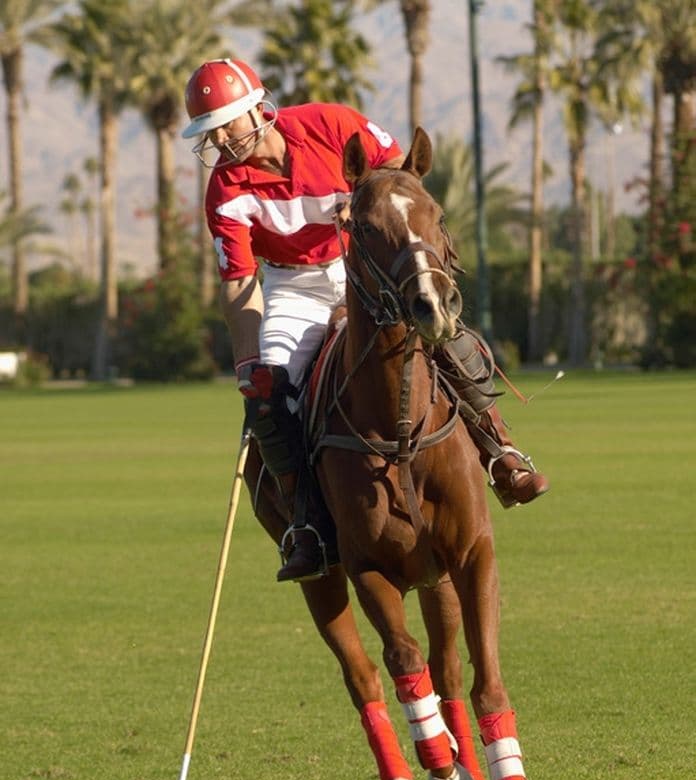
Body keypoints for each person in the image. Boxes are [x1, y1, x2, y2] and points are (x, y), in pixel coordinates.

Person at [181, 58, 549, 583]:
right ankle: (306, 525)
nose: (220, 137)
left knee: (447, 337)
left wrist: (370, 200)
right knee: (269, 397)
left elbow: (399, 173)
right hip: (295, 287)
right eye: (208, 130)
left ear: (260, 109)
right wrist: (248, 364)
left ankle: (503, 454)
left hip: (369, 266)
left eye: (227, 121)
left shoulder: (330, 124)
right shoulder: (226, 190)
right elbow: (240, 284)